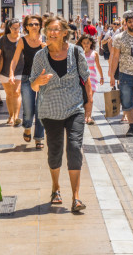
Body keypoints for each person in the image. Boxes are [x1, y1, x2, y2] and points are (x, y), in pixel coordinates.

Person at [30, 16, 93, 214]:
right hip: (50, 110)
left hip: (75, 109)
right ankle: (56, 187)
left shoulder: (76, 52)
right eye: (48, 29)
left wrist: (88, 105)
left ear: (65, 32)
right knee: (55, 151)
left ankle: (76, 196)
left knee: (74, 147)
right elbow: (33, 85)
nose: (51, 32)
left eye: (56, 29)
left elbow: (86, 79)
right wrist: (39, 80)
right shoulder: (40, 56)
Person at [10, 15, 46, 149]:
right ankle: (27, 127)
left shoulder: (45, 40)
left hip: (42, 78)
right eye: (31, 24)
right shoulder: (22, 41)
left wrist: (44, 47)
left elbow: (53, 57)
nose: (34, 26)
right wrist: (11, 73)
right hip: (27, 78)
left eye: (36, 24)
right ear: (26, 27)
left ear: (40, 25)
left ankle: (39, 138)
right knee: (29, 109)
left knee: (41, 110)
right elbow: (15, 59)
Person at [0, 19, 24, 125]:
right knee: (9, 94)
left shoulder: (22, 39)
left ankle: (16, 116)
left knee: (17, 92)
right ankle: (11, 116)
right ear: (9, 28)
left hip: (19, 70)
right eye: (14, 28)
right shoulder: (3, 40)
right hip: (4, 70)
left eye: (18, 27)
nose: (16, 30)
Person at [77, 35, 103, 125]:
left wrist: (102, 77)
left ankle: (89, 117)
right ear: (81, 43)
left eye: (87, 43)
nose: (86, 45)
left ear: (91, 43)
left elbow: (98, 65)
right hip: (81, 79)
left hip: (92, 78)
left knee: (90, 98)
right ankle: (84, 116)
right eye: (84, 43)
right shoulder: (79, 53)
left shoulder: (94, 53)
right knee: (84, 98)